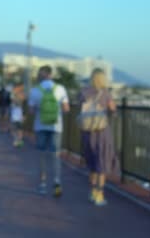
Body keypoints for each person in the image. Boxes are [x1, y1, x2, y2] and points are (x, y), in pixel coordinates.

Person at [28, 65, 69, 197]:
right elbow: (66, 109)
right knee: (55, 154)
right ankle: (57, 182)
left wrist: (41, 109)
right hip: (56, 127)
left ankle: (42, 184)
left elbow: (31, 111)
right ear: (51, 75)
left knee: (41, 155)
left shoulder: (35, 90)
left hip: (40, 126)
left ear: (40, 75)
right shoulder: (60, 89)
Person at [78, 68, 117, 206]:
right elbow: (113, 109)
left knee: (92, 162)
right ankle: (99, 194)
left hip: (87, 132)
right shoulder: (105, 93)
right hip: (102, 131)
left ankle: (92, 192)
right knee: (103, 162)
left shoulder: (83, 92)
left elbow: (80, 108)